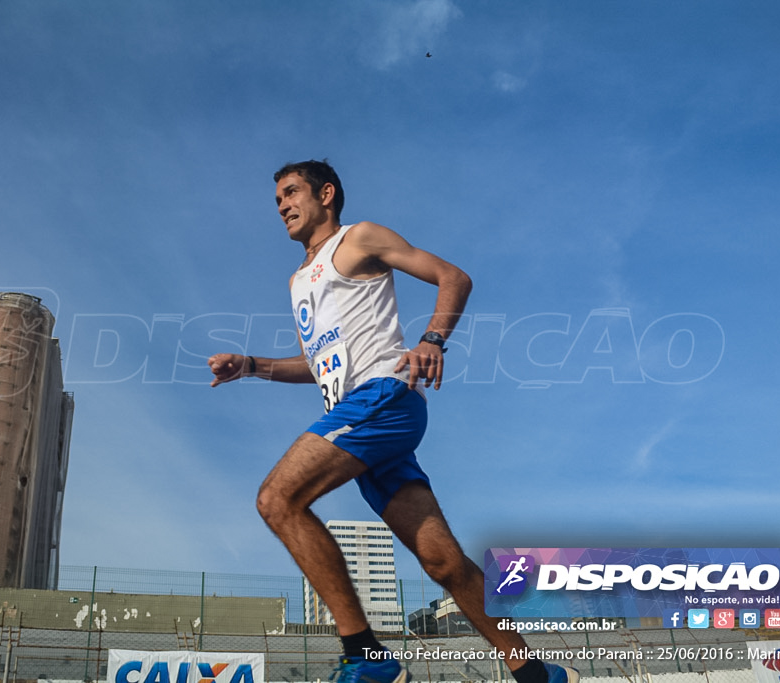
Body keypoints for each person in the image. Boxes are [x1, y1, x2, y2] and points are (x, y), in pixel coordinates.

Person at [208, 160, 578, 683]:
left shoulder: (359, 239)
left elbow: (454, 278)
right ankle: (537, 673)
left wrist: (431, 340)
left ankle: (366, 657)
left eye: (292, 193)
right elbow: (311, 367)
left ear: (327, 194)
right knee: (443, 562)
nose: (283, 206)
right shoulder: (296, 282)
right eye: (277, 201)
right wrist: (249, 366)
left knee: (277, 499)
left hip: (382, 399)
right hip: (360, 424)